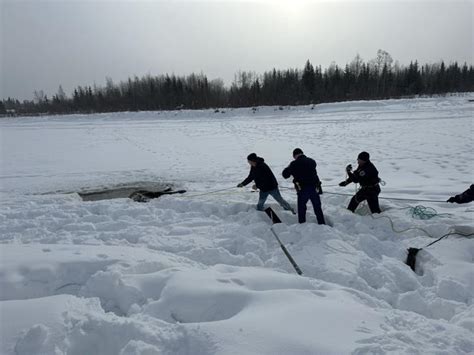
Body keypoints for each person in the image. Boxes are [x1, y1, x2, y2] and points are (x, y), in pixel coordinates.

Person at [282, 148, 326, 224]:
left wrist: (289, 166)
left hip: (303, 189)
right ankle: (322, 223)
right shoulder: (312, 161)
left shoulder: (294, 164)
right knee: (317, 207)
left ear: (295, 156)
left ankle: (302, 224)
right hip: (315, 187)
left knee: (302, 208)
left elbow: (285, 175)